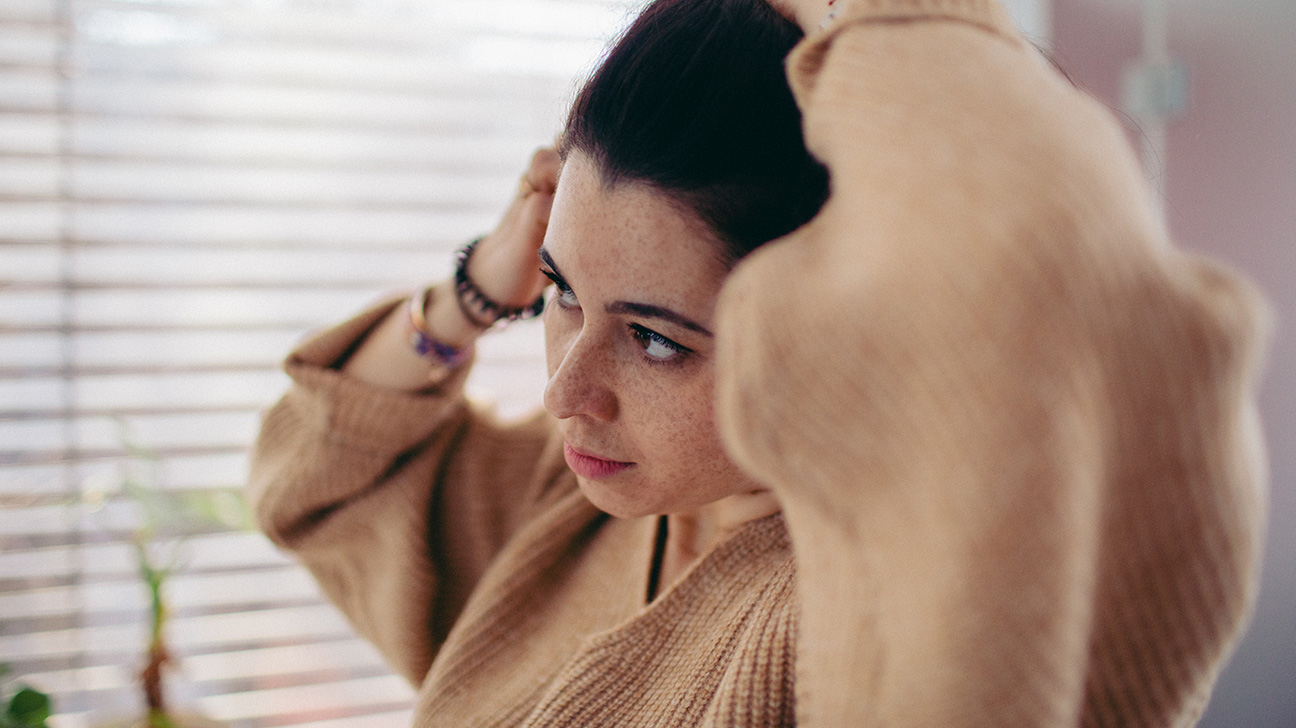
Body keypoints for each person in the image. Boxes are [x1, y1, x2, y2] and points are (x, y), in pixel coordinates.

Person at [248, 0, 1270, 725]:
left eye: (655, 337)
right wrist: (476, 292)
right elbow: (315, 481)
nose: (566, 392)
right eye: (562, 293)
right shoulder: (576, 507)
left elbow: (1077, 305)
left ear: (827, 335)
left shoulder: (884, 608)